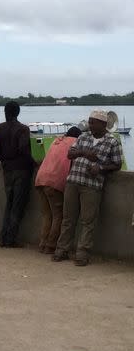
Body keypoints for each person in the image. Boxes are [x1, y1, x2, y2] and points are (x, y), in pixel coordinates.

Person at [52, 111, 123, 266]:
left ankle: (82, 254)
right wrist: (84, 153)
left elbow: (117, 164)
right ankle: (61, 250)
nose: (90, 125)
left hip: (92, 185)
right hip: (73, 181)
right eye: (90, 122)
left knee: (87, 221)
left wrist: (101, 168)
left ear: (103, 124)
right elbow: (70, 154)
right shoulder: (83, 137)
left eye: (93, 122)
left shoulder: (112, 142)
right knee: (68, 219)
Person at [0, 101, 34, 248]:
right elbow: (24, 150)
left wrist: (5, 160)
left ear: (5, 112)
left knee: (9, 204)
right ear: (18, 113)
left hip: (7, 170)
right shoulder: (23, 129)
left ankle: (3, 237)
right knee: (17, 205)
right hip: (21, 170)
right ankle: (10, 239)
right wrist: (33, 163)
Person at [34, 126, 81, 254]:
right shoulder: (76, 143)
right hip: (54, 183)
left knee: (46, 215)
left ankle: (42, 243)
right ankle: (51, 245)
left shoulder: (57, 141)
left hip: (40, 179)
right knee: (58, 215)